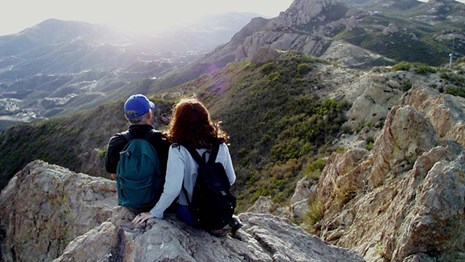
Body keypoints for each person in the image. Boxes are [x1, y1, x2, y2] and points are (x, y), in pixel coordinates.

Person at [132, 98, 242, 234]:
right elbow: (231, 179)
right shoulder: (220, 145)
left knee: (173, 207)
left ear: (178, 122)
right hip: (218, 209)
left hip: (191, 213)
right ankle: (225, 221)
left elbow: (173, 189)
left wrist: (154, 212)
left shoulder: (178, 149)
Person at [105, 94, 170, 213]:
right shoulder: (163, 140)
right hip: (157, 202)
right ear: (149, 115)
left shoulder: (116, 141)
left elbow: (114, 175)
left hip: (129, 203)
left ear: (126, 117)